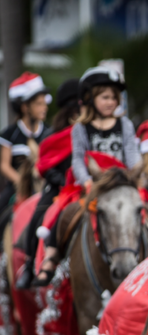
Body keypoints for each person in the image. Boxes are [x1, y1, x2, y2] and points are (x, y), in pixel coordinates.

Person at [36, 67, 139, 285]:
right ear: (90, 99)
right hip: (93, 186)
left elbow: (131, 154)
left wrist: (135, 174)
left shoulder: (125, 125)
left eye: (114, 97)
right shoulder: (81, 128)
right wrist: (86, 181)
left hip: (122, 185)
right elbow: (77, 159)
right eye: (105, 97)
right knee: (65, 212)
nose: (110, 102)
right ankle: (52, 255)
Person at [15, 78, 80, 290]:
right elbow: (45, 166)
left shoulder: (90, 131)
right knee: (36, 217)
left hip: (88, 189)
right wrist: (63, 182)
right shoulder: (53, 135)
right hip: (59, 190)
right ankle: (29, 265)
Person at [0, 73, 51, 223]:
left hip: (43, 187)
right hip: (17, 188)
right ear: (24, 107)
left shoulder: (49, 133)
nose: (44, 108)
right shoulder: (10, 134)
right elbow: (4, 165)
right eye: (39, 104)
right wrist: (23, 184)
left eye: (45, 103)